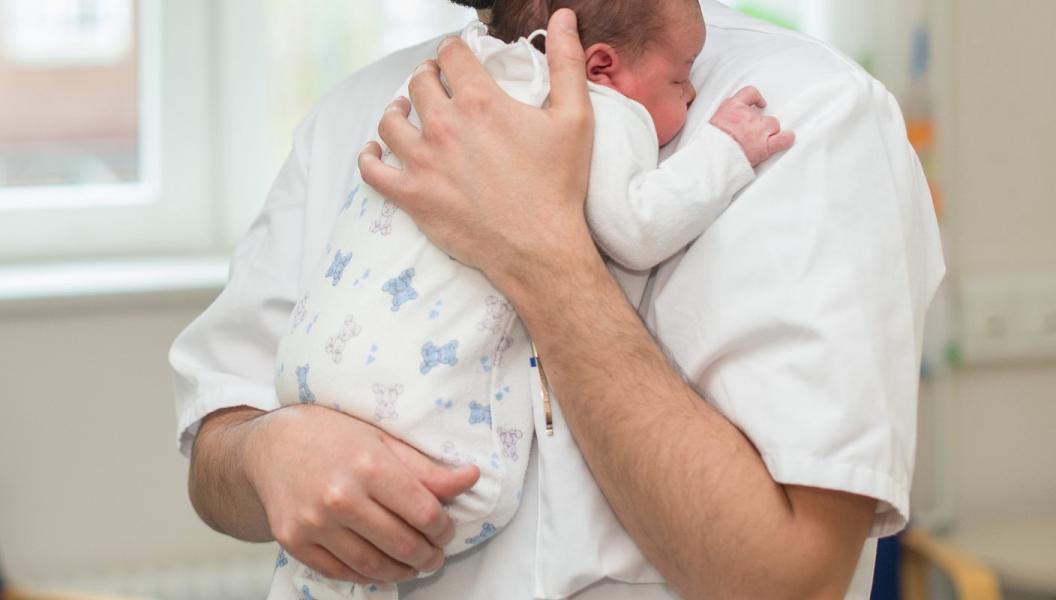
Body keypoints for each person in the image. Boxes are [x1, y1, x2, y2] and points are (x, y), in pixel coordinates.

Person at [171, 2, 945, 598]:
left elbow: (789, 581)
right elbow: (218, 441)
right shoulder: (361, 112)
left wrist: (540, 252)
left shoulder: (808, 119)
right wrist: (268, 454)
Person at [266, 1, 791, 596]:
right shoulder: (604, 112)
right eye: (680, 78)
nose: (693, 94)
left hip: (322, 390)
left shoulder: (456, 79)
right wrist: (725, 150)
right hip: (432, 457)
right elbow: (636, 229)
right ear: (600, 66)